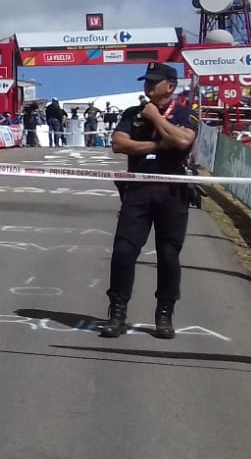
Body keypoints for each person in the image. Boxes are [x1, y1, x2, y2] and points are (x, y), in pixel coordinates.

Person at [100, 63, 199, 339]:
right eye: (146, 81)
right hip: (138, 190)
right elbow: (120, 143)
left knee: (168, 255)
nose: (148, 86)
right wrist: (156, 145)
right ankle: (117, 313)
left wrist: (156, 119)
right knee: (123, 251)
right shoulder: (132, 113)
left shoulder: (185, 113)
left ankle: (164, 313)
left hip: (173, 191)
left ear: (170, 86)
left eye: (154, 82)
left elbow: (182, 141)